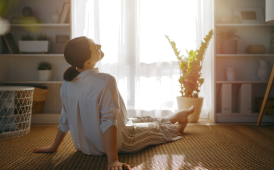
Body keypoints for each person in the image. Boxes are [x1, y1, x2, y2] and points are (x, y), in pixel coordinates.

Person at [33, 36, 195, 170]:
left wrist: (54, 147)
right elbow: (108, 121)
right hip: (123, 140)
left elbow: (65, 118)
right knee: (157, 131)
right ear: (88, 62)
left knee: (144, 119)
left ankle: (177, 115)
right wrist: (113, 161)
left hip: (85, 146)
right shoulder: (105, 81)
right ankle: (180, 126)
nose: (99, 45)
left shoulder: (68, 82)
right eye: (95, 47)